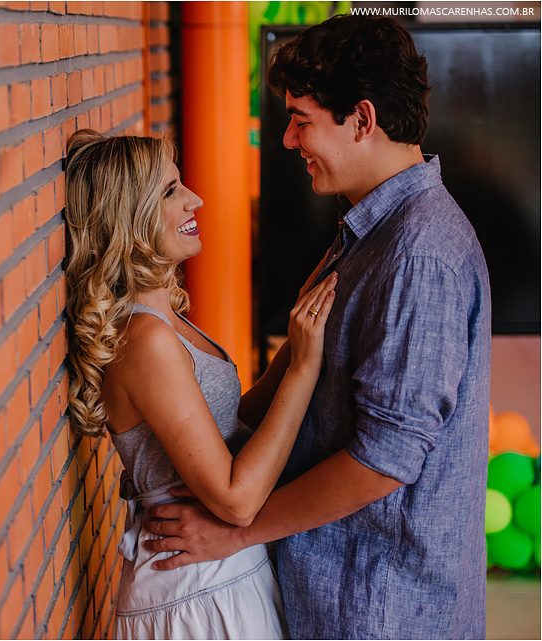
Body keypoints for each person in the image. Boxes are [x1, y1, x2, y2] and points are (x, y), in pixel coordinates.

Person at [142, 14, 492, 640]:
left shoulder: (417, 254)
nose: (287, 140)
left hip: (378, 611)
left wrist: (235, 530)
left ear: (362, 120)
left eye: (301, 119)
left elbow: (382, 462)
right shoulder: (368, 230)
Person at [63, 128, 337, 639]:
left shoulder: (162, 319)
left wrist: (294, 347)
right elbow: (235, 499)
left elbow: (229, 426)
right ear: (130, 216)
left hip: (217, 571)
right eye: (170, 191)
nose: (196, 198)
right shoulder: (144, 338)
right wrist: (302, 369)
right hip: (190, 586)